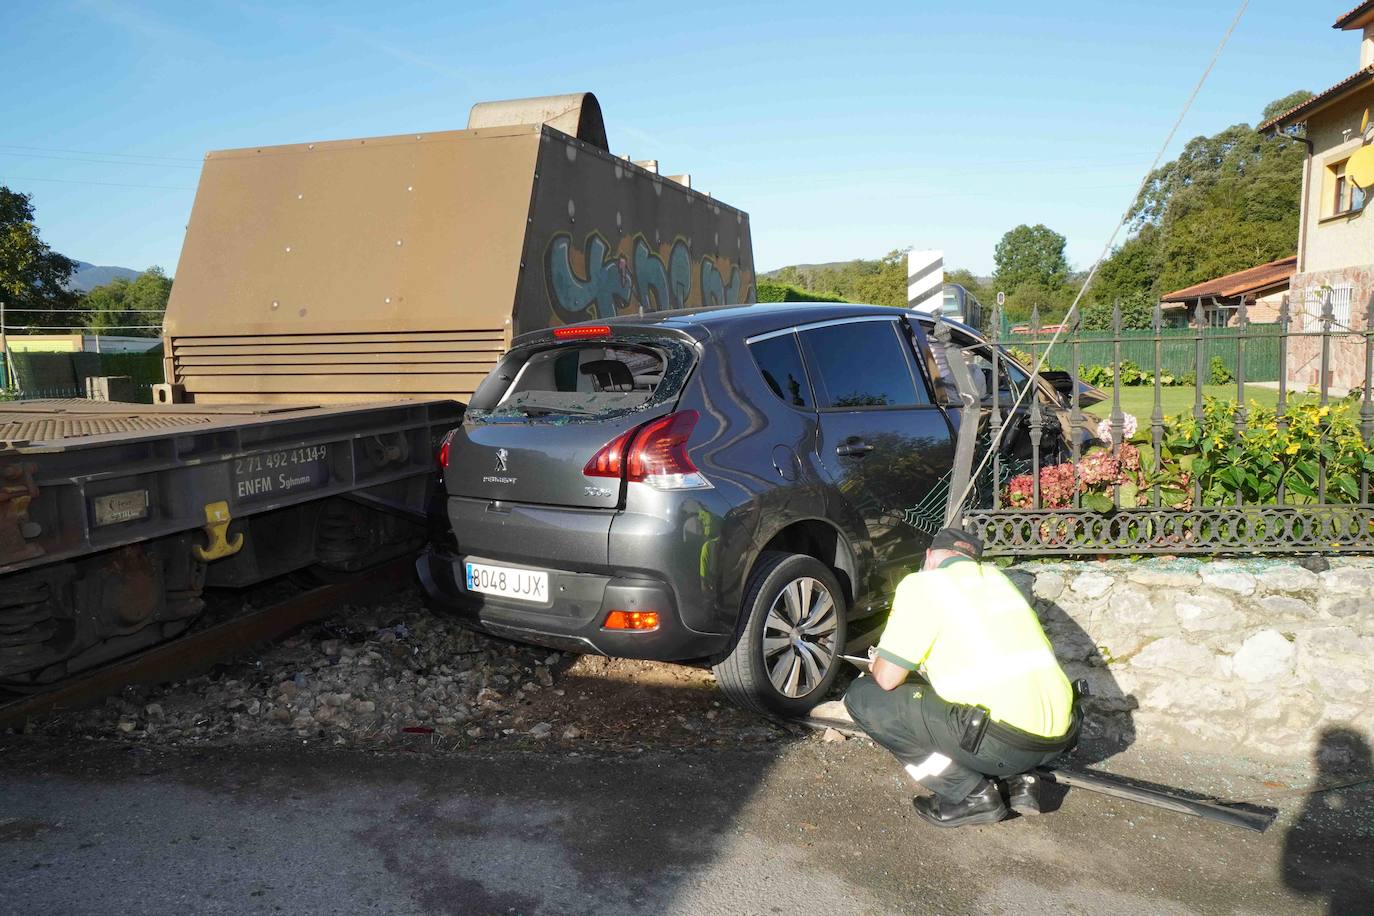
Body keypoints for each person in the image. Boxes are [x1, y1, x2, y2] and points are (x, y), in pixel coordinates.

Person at [843, 527, 1078, 828]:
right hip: (1056, 738)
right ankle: (1019, 782)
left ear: (929, 556)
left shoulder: (924, 585)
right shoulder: (1000, 582)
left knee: (864, 697)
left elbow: (888, 678)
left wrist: (880, 660)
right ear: (973, 561)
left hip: (1003, 743)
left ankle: (970, 793)